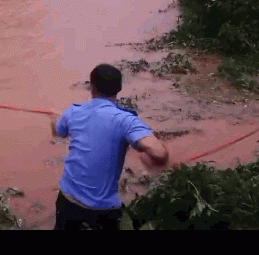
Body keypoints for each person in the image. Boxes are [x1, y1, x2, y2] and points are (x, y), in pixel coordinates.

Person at [49, 63, 169, 230]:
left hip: (68, 200)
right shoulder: (126, 120)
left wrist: (54, 119)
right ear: (119, 88)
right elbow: (158, 152)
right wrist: (157, 161)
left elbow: (58, 133)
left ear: (92, 87)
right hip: (103, 209)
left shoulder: (73, 112)